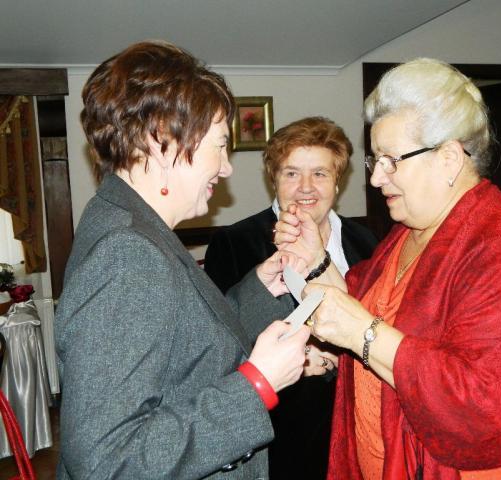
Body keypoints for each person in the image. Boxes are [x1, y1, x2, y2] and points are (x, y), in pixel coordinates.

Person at [275, 58, 501, 479]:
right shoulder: (409, 232)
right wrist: (316, 260)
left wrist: (362, 333)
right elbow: (364, 308)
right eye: (376, 161)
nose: (377, 179)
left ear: (449, 158)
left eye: (391, 160)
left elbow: (481, 404)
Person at [54, 40, 311, 480]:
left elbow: (185, 349)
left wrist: (259, 291)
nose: (226, 167)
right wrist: (257, 384)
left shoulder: (132, 222)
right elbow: (106, 462)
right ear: (162, 140)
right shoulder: (128, 254)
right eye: (220, 145)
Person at [204, 116, 378, 479]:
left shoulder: (367, 241)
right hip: (281, 435)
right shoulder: (234, 244)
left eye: (320, 174)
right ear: (274, 178)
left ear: (337, 181)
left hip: (359, 423)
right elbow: (217, 345)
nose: (306, 188)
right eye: (292, 173)